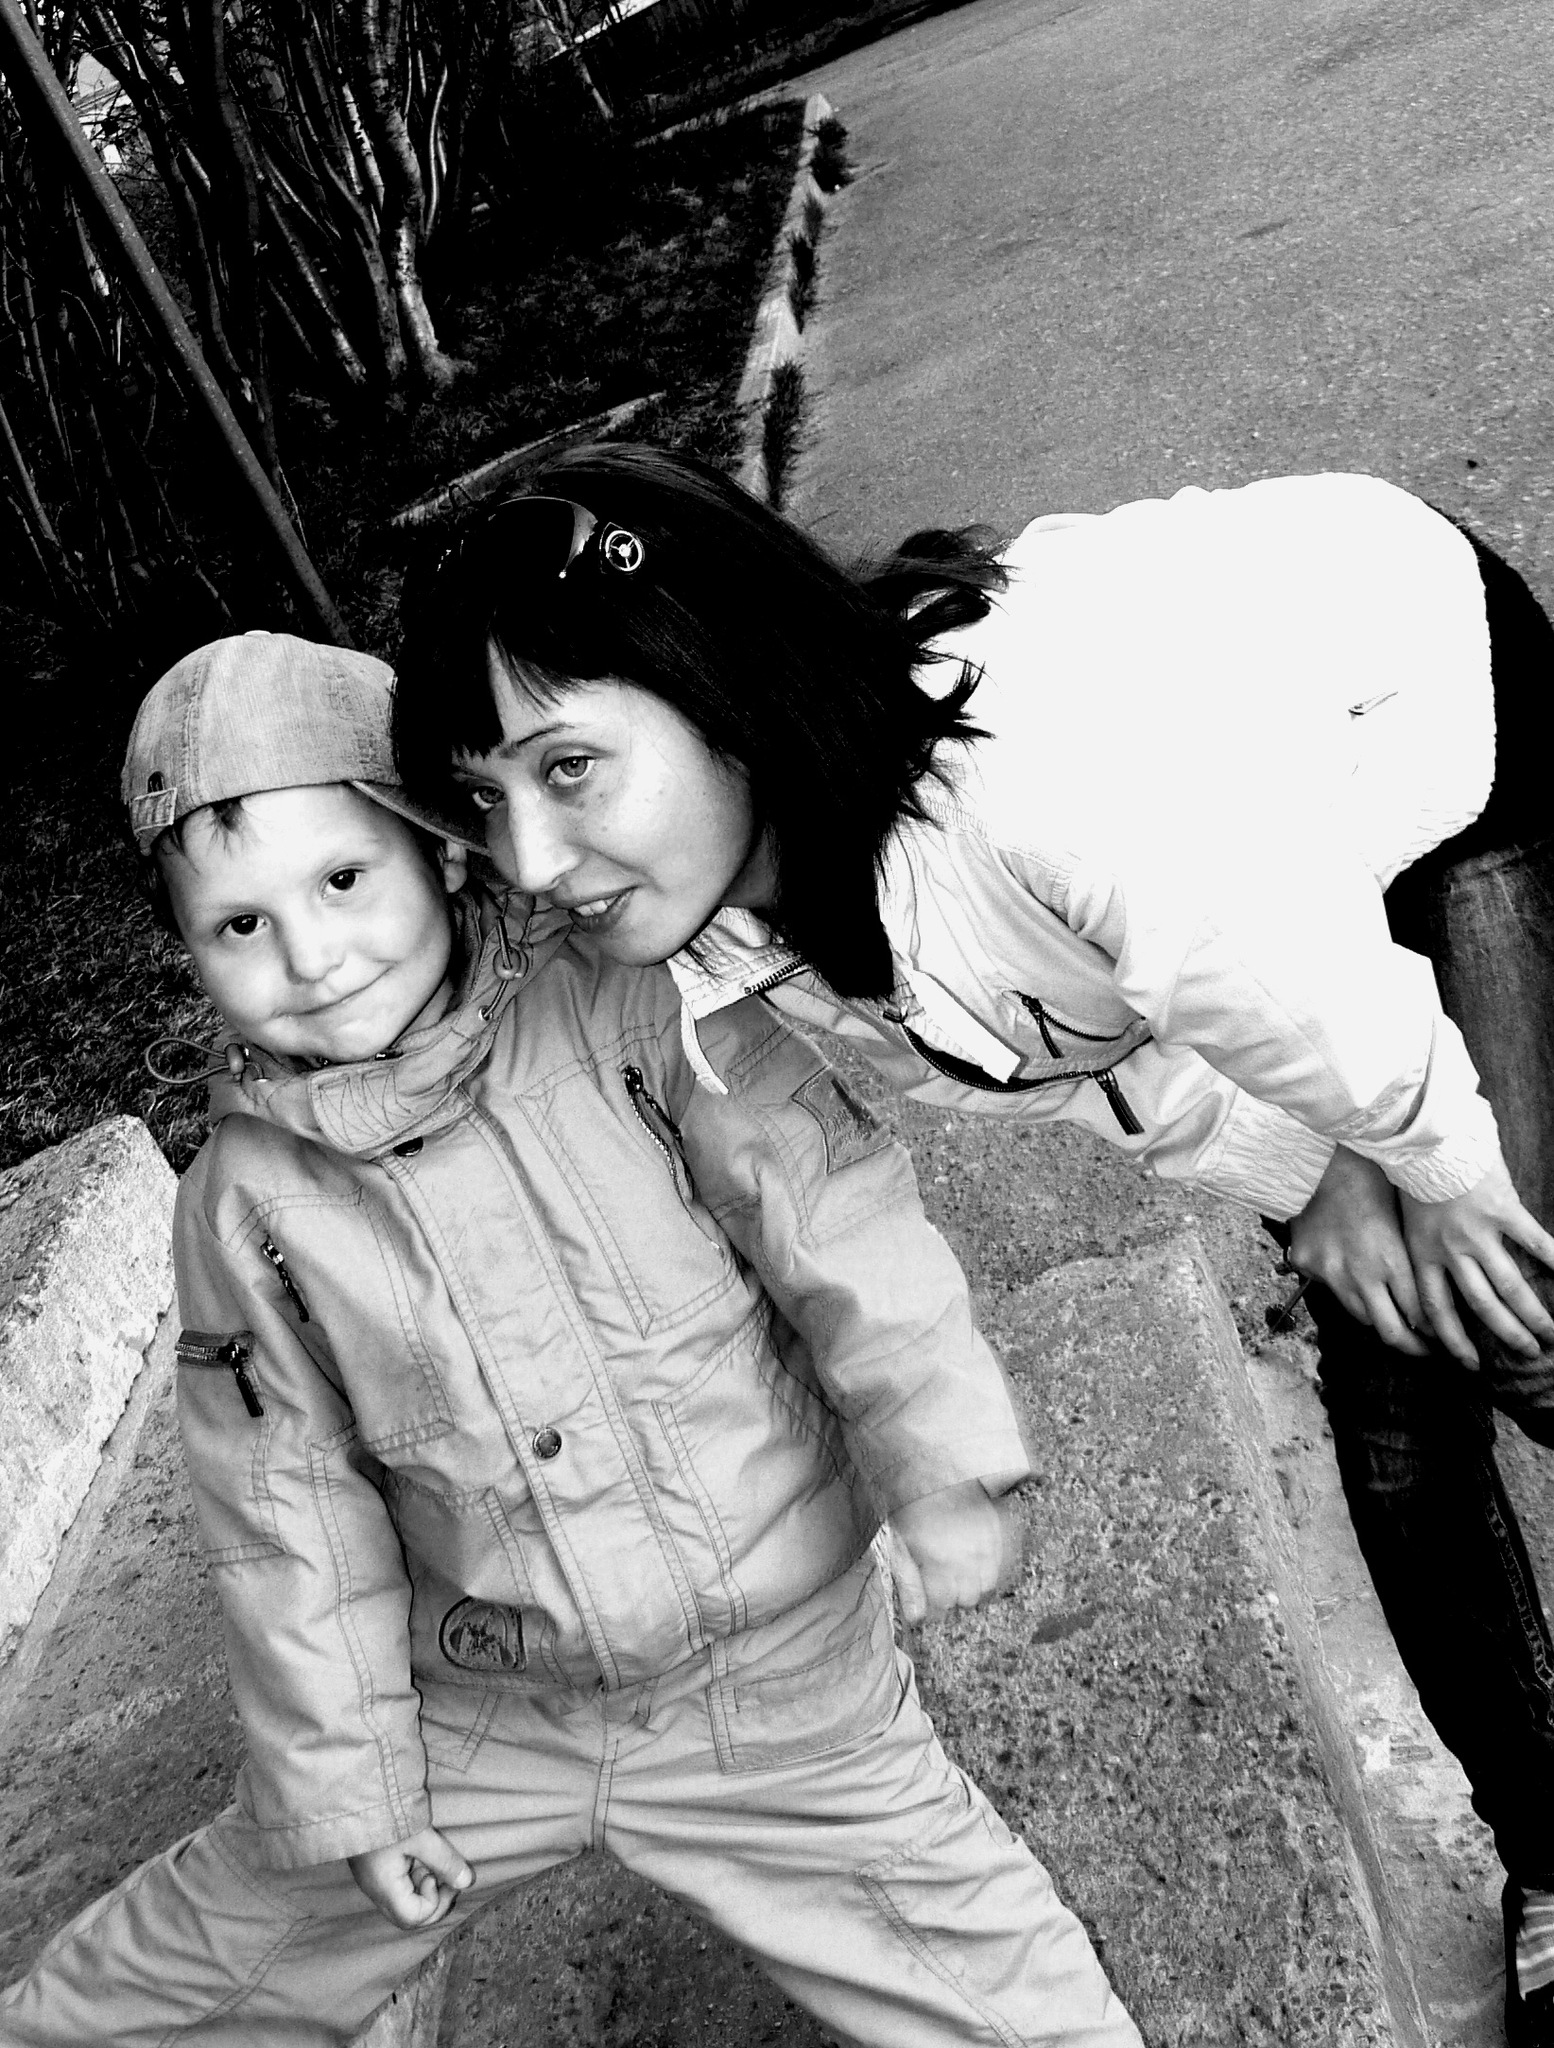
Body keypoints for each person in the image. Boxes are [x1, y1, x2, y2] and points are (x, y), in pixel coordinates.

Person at [392, 443, 1554, 2047]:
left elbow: (1251, 945)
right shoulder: (746, 925)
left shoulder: (1032, 772)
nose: (527, 861)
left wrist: (1417, 1158)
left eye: (569, 768)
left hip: (1413, 694)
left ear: (720, 681)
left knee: (1515, 1302)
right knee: (1400, 1420)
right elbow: (1083, 1045)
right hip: (1243, 879)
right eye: (485, 798)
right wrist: (1315, 1177)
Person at [0, 630, 1145, 2048]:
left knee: (1011, 2001)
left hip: (778, 1681)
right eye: (239, 924)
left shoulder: (635, 1005)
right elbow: (281, 1507)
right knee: (175, 1975)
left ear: (443, 851)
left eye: (344, 880)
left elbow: (835, 1221)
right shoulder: (244, 1205)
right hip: (484, 1715)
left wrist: (944, 1463)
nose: (309, 954)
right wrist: (353, 1794)